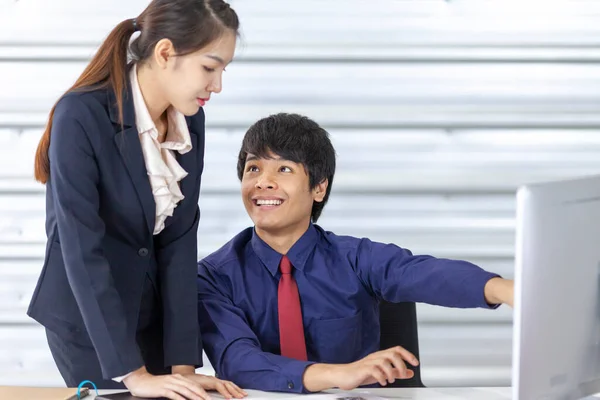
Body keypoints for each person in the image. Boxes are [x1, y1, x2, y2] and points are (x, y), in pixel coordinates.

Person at [197, 113, 515, 393]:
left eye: (284, 169)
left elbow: (421, 272)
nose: (263, 182)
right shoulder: (212, 276)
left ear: (319, 188)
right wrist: (339, 374)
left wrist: (504, 289)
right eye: (254, 168)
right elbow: (238, 361)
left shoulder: (354, 258)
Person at [27, 1, 246, 399]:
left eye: (223, 71)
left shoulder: (189, 117)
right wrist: (134, 374)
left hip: (152, 317)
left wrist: (183, 363)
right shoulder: (81, 114)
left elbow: (180, 241)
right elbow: (82, 250)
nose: (217, 86)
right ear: (165, 53)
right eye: (209, 68)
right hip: (89, 321)